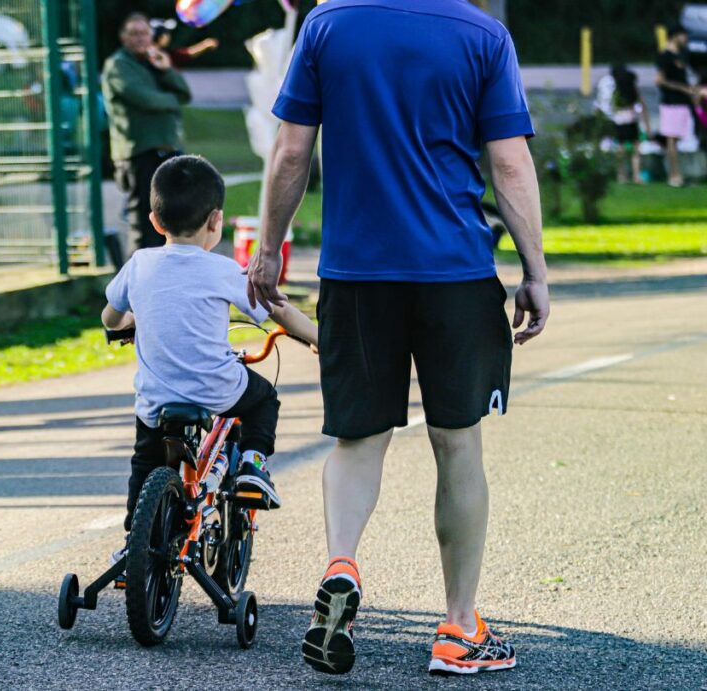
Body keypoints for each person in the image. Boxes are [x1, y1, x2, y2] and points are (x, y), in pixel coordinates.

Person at [246, 0, 549, 677]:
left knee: (358, 440)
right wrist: (534, 271)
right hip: (455, 272)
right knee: (457, 442)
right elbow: (509, 164)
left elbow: (292, 151)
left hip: (356, 272)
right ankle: (459, 628)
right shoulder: (483, 35)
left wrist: (269, 250)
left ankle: (342, 564)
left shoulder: (327, 25)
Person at [101, 155, 318, 560]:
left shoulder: (139, 264)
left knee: (145, 460)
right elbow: (279, 310)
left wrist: (125, 323)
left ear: (155, 221)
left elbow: (110, 317)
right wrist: (316, 337)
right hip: (216, 389)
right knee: (263, 398)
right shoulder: (224, 270)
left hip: (156, 398)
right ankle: (253, 464)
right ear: (216, 220)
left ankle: (134, 544)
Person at [102, 13, 191, 252]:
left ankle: (164, 272)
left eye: (144, 33)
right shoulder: (118, 65)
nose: (140, 38)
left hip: (167, 152)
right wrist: (172, 100)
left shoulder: (153, 62)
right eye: (134, 34)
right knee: (143, 224)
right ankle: (138, 274)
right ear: (123, 38)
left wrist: (166, 69)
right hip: (139, 154)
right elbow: (146, 100)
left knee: (169, 223)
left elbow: (184, 93)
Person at [656, 24, 704, 187]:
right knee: (671, 138)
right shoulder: (665, 56)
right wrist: (682, 88)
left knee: (679, 138)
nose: (686, 38)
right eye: (683, 35)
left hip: (684, 102)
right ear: (675, 36)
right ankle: (674, 175)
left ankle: (678, 173)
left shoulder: (683, 55)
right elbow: (660, 80)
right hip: (671, 102)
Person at [606, 63, 652, 184]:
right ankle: (636, 175)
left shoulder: (616, 91)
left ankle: (621, 174)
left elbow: (611, 107)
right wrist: (647, 125)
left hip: (620, 120)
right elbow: (642, 105)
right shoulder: (631, 89)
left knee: (621, 148)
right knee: (635, 149)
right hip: (631, 119)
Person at [151, 18, 220, 68]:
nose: (168, 36)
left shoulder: (166, 53)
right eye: (166, 33)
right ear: (159, 36)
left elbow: (185, 54)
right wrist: (205, 45)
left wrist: (205, 45)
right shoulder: (157, 56)